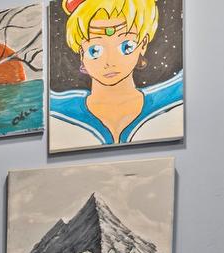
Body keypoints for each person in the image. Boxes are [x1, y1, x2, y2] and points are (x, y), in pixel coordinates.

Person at [49, 0, 184, 151]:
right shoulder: (59, 111)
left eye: (126, 47)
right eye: (95, 50)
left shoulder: (169, 102)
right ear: (82, 53)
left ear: (143, 45)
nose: (110, 61)